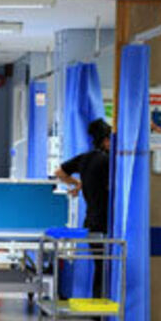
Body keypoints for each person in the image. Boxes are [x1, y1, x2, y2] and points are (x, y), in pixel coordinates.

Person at [54, 118, 113, 299]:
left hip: (91, 222)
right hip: (105, 223)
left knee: (100, 266)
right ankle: (102, 306)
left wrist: (78, 183)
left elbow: (59, 172)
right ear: (106, 140)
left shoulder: (85, 159)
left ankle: (98, 306)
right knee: (106, 267)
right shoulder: (109, 162)